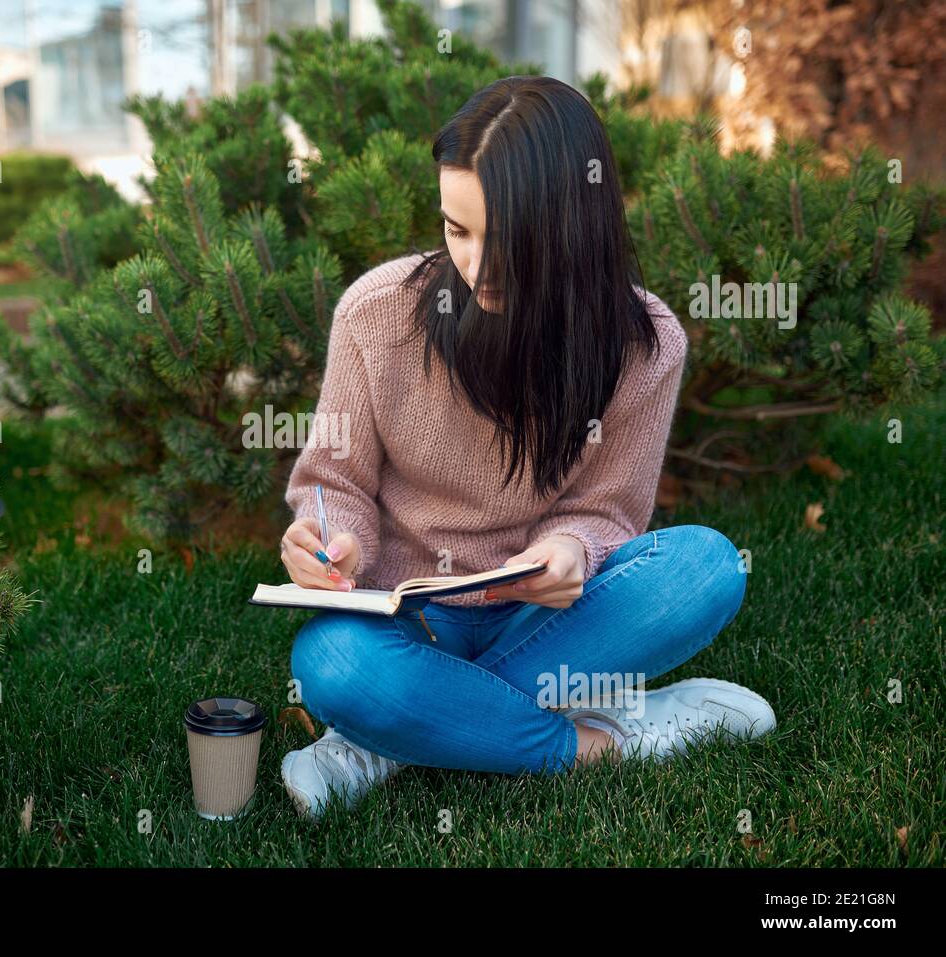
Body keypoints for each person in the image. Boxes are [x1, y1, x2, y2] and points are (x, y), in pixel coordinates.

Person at [278, 75, 776, 821]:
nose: (477, 265)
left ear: (576, 220)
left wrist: (572, 547)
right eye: (457, 229)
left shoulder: (646, 343)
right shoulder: (377, 314)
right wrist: (333, 538)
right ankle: (603, 737)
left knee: (705, 567)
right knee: (333, 664)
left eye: (507, 236)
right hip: (410, 617)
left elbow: (607, 508)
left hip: (540, 617)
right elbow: (333, 479)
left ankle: (391, 735)